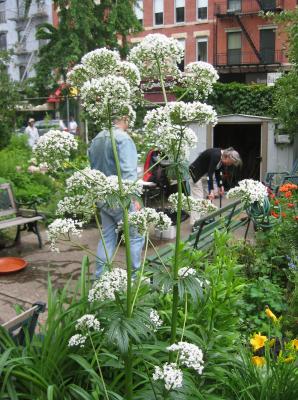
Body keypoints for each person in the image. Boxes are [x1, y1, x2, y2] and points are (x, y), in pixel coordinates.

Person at [89, 115, 145, 278]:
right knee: (135, 237)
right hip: (122, 198)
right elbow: (128, 172)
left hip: (102, 196)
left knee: (107, 238)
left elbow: (93, 167)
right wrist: (134, 199)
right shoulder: (123, 139)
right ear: (125, 118)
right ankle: (134, 280)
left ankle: (99, 278)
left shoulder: (97, 138)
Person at [189, 147, 242, 225]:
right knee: (198, 198)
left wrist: (221, 186)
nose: (229, 164)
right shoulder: (216, 155)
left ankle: (204, 218)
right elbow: (210, 174)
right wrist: (211, 191)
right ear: (227, 157)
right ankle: (195, 223)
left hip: (203, 174)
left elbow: (217, 172)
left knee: (207, 197)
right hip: (196, 173)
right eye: (230, 162)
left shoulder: (221, 158)